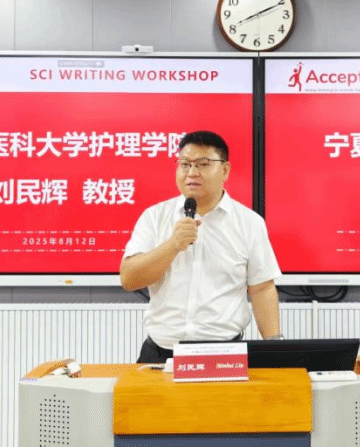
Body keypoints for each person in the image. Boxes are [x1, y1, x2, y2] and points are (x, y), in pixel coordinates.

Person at [120, 130, 282, 363]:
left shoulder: (249, 223)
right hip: (161, 353)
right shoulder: (154, 217)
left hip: (224, 354)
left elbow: (262, 288)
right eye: (185, 164)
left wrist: (276, 349)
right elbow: (129, 279)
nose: (192, 173)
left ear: (225, 170)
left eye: (203, 164)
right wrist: (173, 245)